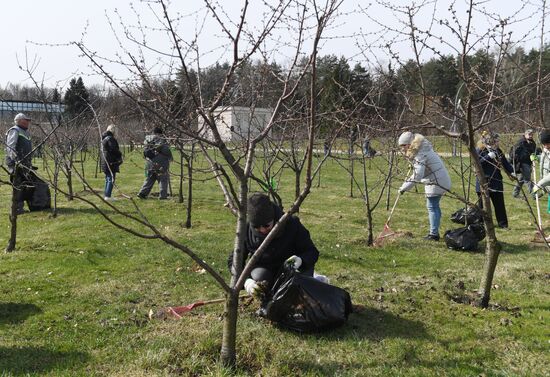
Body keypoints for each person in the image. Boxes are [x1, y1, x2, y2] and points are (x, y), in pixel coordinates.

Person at [229, 193, 320, 296]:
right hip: (265, 272)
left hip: (292, 269)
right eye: (256, 227)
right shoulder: (246, 231)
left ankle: (313, 282)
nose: (262, 230)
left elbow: (312, 251)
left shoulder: (292, 224)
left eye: (266, 225)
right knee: (259, 276)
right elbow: (234, 261)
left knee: (300, 287)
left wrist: (301, 260)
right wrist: (246, 281)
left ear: (274, 218)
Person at [397, 131, 451, 241]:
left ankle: (433, 234)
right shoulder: (421, 149)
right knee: (434, 206)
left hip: (436, 180)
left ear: (409, 144)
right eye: (400, 146)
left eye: (403, 146)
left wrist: (404, 187)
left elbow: (418, 175)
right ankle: (434, 231)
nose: (402, 149)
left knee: (432, 206)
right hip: (438, 179)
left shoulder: (420, 153)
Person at [475, 131, 515, 229]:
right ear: (490, 141)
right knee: (482, 205)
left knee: (499, 204)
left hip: (496, 181)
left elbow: (505, 162)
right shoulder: (480, 150)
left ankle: (503, 224)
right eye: (496, 141)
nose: (498, 143)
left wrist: (512, 171)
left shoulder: (498, 150)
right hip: (484, 182)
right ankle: (480, 224)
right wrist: (488, 157)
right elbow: (476, 164)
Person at [5, 113, 33, 214]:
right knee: (17, 185)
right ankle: (16, 209)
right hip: (16, 164)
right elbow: (10, 148)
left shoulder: (26, 132)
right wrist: (17, 161)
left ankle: (19, 208)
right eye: (26, 120)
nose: (28, 122)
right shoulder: (15, 130)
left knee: (23, 186)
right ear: (20, 121)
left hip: (25, 163)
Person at [137, 127, 173, 200]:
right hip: (160, 162)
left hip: (149, 162)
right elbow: (166, 150)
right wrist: (170, 157)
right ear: (160, 133)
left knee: (150, 178)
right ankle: (163, 196)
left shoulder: (147, 140)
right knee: (162, 178)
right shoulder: (161, 140)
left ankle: (142, 193)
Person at [511, 129, 537, 197]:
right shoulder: (521, 142)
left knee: (521, 179)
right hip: (523, 163)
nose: (531, 136)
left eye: (531, 134)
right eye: (529, 134)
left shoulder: (532, 142)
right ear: (525, 135)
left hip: (529, 163)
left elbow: (533, 151)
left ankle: (515, 193)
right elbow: (514, 152)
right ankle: (534, 194)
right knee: (527, 179)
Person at [100, 124, 123, 201]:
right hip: (110, 161)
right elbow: (113, 149)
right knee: (111, 179)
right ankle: (108, 197)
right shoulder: (110, 139)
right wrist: (120, 154)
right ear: (114, 131)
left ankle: (107, 195)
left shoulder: (104, 138)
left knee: (108, 178)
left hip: (105, 160)